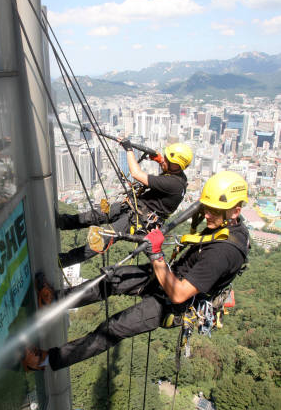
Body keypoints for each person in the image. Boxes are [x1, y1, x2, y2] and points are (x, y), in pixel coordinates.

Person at [23, 171, 249, 372]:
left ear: (235, 211)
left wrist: (157, 254)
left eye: (214, 211)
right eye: (206, 208)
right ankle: (54, 299)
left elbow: (179, 294)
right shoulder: (227, 226)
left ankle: (45, 360)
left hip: (172, 302)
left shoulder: (224, 252)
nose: (208, 215)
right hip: (168, 277)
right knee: (113, 279)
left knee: (113, 328)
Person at [58, 140, 193, 267]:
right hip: (131, 207)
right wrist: (160, 160)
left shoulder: (173, 184)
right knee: (93, 216)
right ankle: (61, 222)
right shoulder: (179, 176)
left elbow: (136, 173)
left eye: (167, 159)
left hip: (137, 221)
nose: (163, 160)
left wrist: (129, 149)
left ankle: (64, 260)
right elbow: (165, 170)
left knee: (102, 240)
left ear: (175, 165)